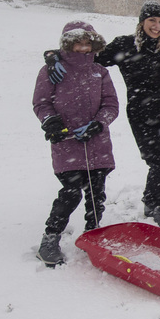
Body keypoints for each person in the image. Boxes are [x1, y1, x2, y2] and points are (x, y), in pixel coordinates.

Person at [46, 1, 160, 226]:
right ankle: (155, 206)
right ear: (142, 22)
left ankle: (158, 204)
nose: (156, 26)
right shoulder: (125, 45)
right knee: (157, 161)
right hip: (141, 112)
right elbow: (87, 58)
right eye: (152, 21)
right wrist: (53, 56)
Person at [33, 21, 119, 267]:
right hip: (67, 143)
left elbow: (111, 105)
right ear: (68, 43)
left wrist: (99, 123)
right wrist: (51, 122)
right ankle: (50, 239)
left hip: (97, 143)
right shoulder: (51, 70)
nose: (83, 48)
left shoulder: (100, 72)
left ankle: (94, 234)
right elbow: (41, 103)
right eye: (78, 43)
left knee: (96, 195)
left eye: (88, 43)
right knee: (70, 194)